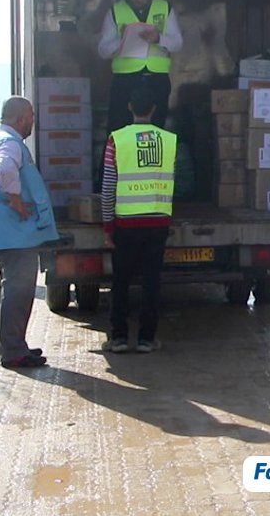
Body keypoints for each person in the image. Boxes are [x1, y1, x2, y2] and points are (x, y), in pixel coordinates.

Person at [0, 97, 59, 368]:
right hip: (15, 233)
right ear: (22, 118)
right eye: (32, 117)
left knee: (9, 288)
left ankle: (12, 345)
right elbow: (5, 170)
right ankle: (13, 351)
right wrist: (16, 201)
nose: (33, 122)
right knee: (19, 290)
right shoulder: (9, 142)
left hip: (4, 232)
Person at [101, 87, 177, 354]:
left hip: (126, 224)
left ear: (129, 108)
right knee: (151, 281)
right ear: (154, 109)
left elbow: (108, 187)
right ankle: (147, 339)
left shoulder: (117, 140)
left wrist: (107, 226)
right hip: (158, 222)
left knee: (121, 281)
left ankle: (119, 338)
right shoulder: (169, 141)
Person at [97, 0, 183, 133]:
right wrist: (122, 40)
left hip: (156, 79)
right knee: (119, 129)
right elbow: (102, 50)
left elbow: (178, 43)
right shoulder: (116, 10)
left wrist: (159, 39)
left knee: (155, 130)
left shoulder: (164, 8)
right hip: (125, 80)